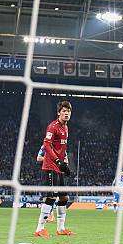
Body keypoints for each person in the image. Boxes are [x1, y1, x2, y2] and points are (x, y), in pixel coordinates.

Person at [34, 100, 75, 237]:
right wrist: (58, 161)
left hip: (59, 167)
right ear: (59, 113)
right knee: (51, 197)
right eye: (64, 111)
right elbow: (46, 146)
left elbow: (62, 148)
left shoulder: (66, 128)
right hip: (51, 166)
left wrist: (65, 163)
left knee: (63, 198)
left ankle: (60, 228)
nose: (66, 113)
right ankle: (39, 229)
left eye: (68, 111)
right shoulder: (53, 127)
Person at [37, 144, 54, 223]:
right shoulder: (45, 146)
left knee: (54, 194)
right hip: (47, 171)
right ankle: (48, 215)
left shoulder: (60, 146)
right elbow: (39, 158)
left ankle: (50, 214)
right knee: (48, 194)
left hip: (56, 172)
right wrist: (50, 159)